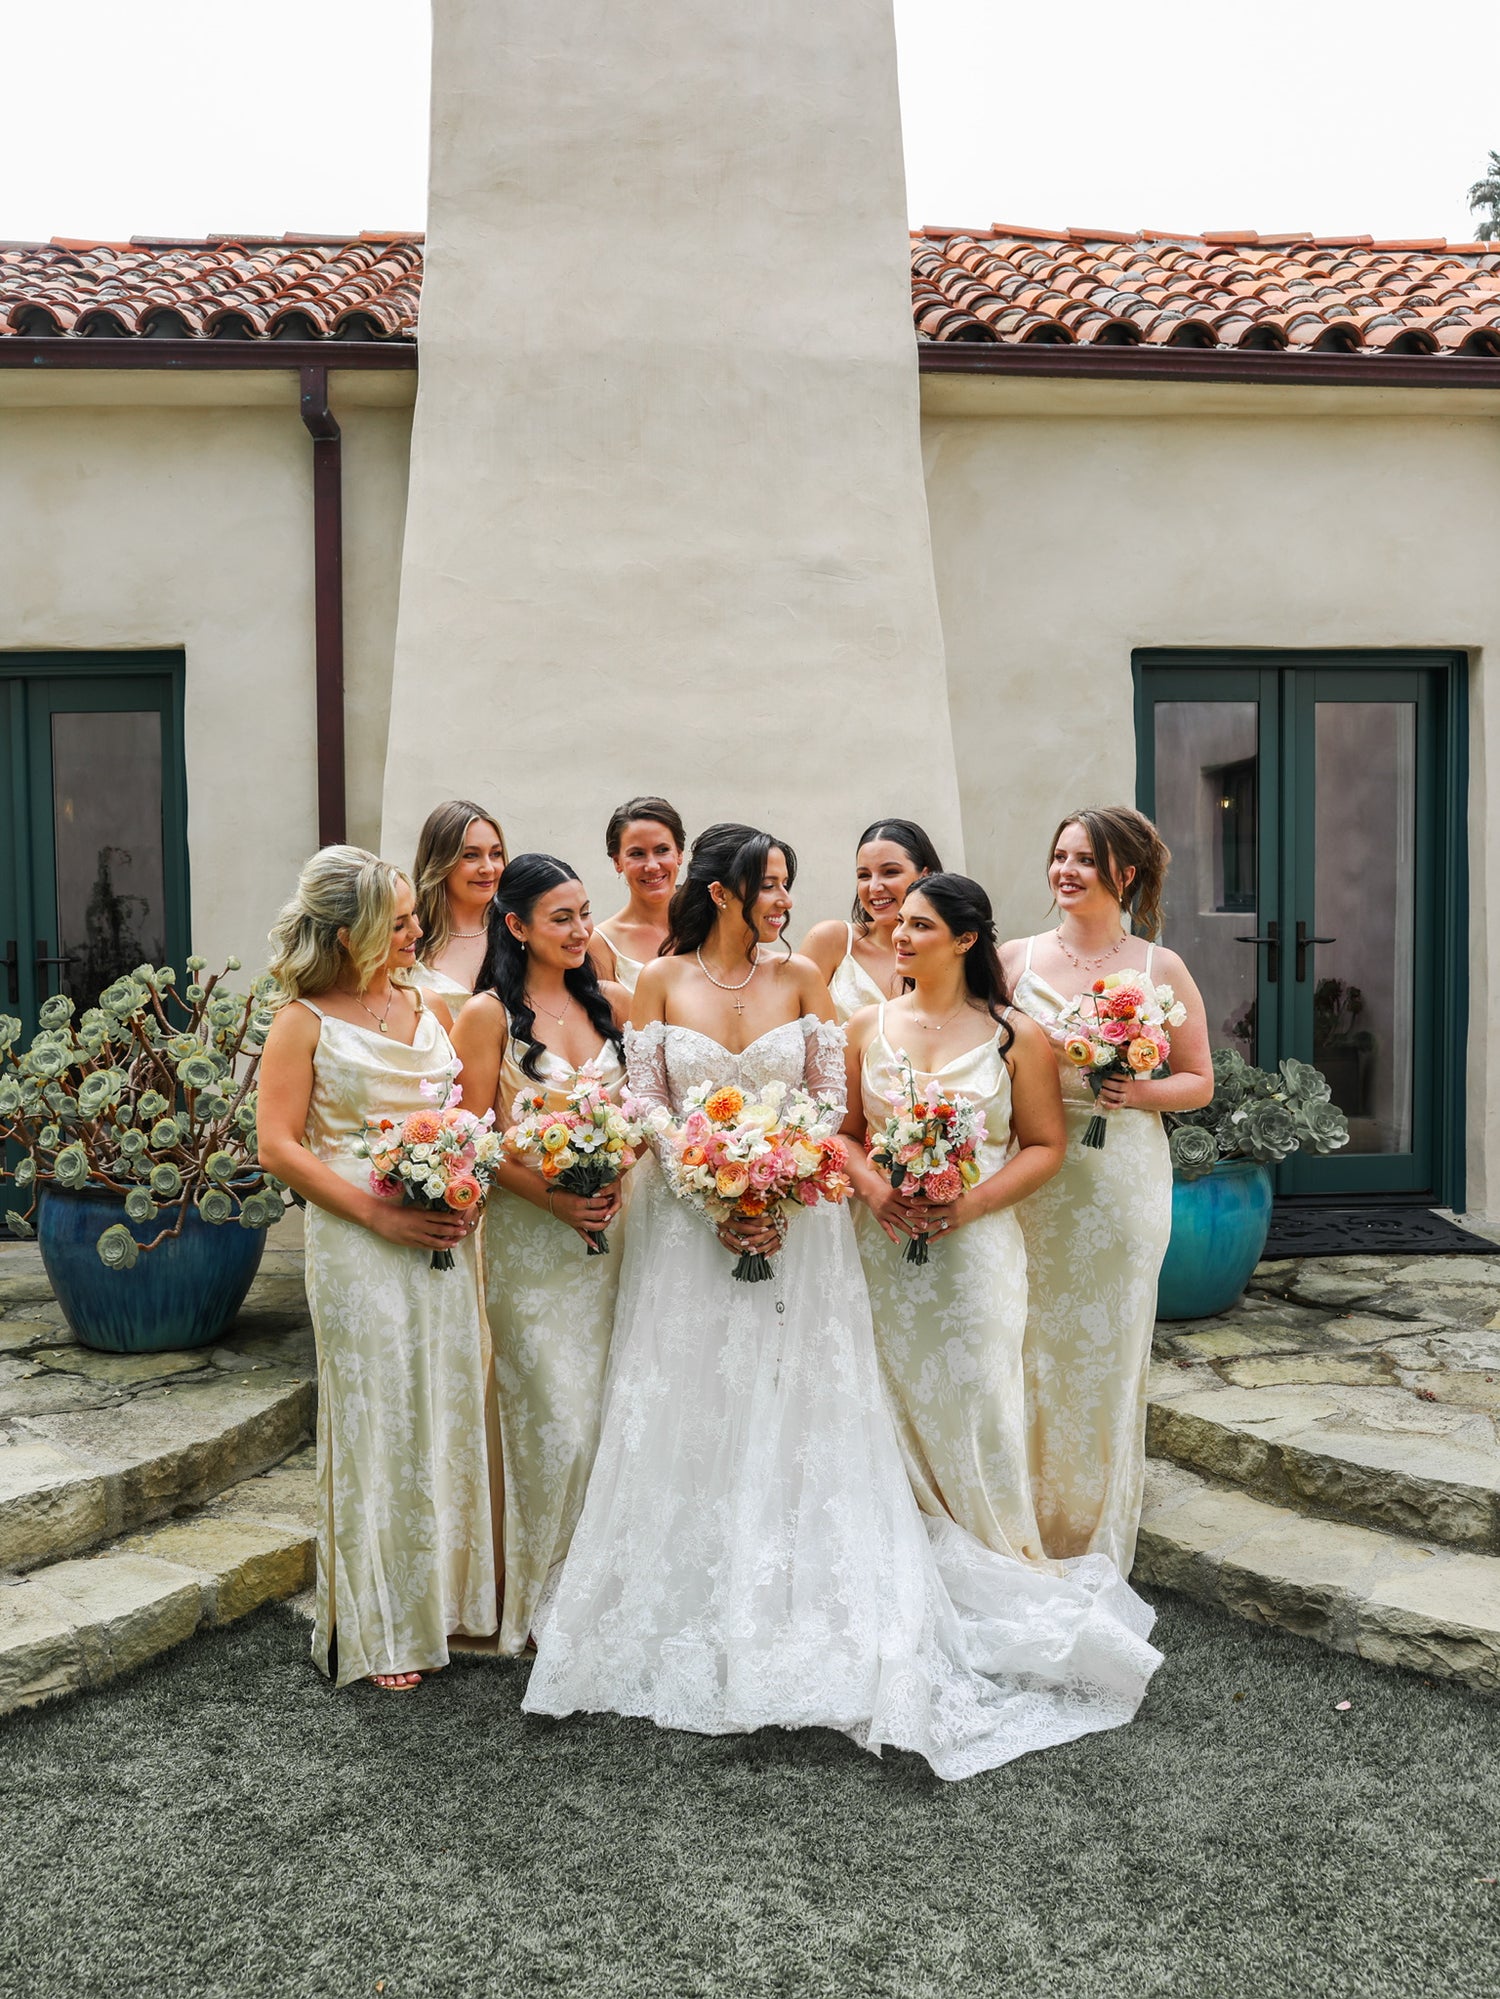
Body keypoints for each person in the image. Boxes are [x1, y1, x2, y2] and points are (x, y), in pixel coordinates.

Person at [523, 823, 1161, 1782]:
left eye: (786, 883)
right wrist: (712, 1187)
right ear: (727, 892)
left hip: (801, 1227)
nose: (786, 899)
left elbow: (829, 1104)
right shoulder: (659, 980)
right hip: (687, 1234)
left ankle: (814, 1591)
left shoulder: (806, 984)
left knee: (800, 1396)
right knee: (692, 1397)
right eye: (769, 885)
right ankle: (690, 1593)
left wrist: (769, 1184)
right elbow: (647, 1104)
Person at [257, 846, 497, 1691]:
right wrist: (383, 1214)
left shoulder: (431, 1002)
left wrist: (466, 1181)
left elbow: (468, 1108)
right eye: (394, 920)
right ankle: (382, 1624)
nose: (414, 929)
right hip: (360, 1239)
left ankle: (449, 1603)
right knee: (379, 1412)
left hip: (443, 1230)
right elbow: (279, 1145)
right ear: (348, 929)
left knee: (443, 1396)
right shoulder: (304, 1021)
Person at [1003, 806, 1213, 1573]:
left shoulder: (1161, 969)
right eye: (1059, 855)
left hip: (1119, 1181)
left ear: (1124, 873)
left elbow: (1198, 1080)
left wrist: (1138, 1092)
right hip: (1032, 1178)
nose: (1065, 870)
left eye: (1085, 859)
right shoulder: (1014, 960)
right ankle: (1017, 1516)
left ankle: (1090, 1529)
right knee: (1024, 1339)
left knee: (1105, 1346)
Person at [842, 873, 1065, 1564]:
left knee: (979, 1398)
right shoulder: (864, 1027)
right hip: (881, 1245)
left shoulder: (1016, 1037)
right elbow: (844, 1134)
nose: (899, 934)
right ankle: (896, 1559)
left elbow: (1047, 1147)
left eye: (919, 925)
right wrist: (877, 1190)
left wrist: (967, 1205)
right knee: (885, 1395)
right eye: (899, 922)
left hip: (976, 1252)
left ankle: (993, 1549)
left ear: (965, 939)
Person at [450, 854, 635, 1654]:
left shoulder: (617, 1004)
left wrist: (620, 1166)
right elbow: (476, 1139)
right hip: (532, 1245)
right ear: (517, 925)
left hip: (619, 1240)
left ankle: (609, 1598)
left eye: (585, 913)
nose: (579, 930)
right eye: (561, 917)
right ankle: (543, 1598)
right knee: (555, 1418)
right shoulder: (486, 1015)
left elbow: (647, 1113)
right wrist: (554, 1197)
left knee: (613, 1416)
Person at [800, 818, 943, 1024]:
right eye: (864, 875)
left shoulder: (951, 950)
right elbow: (788, 1025)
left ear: (925, 875)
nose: (874, 887)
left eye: (890, 872)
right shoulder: (831, 940)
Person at [411, 799, 509, 1014]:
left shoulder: (519, 933)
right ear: (439, 861)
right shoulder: (408, 938)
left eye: (495, 854)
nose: (488, 868)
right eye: (470, 855)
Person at [586, 795, 686, 994]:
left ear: (679, 854)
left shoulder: (711, 923)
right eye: (637, 854)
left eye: (662, 850)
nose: (652, 866)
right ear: (617, 862)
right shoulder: (601, 944)